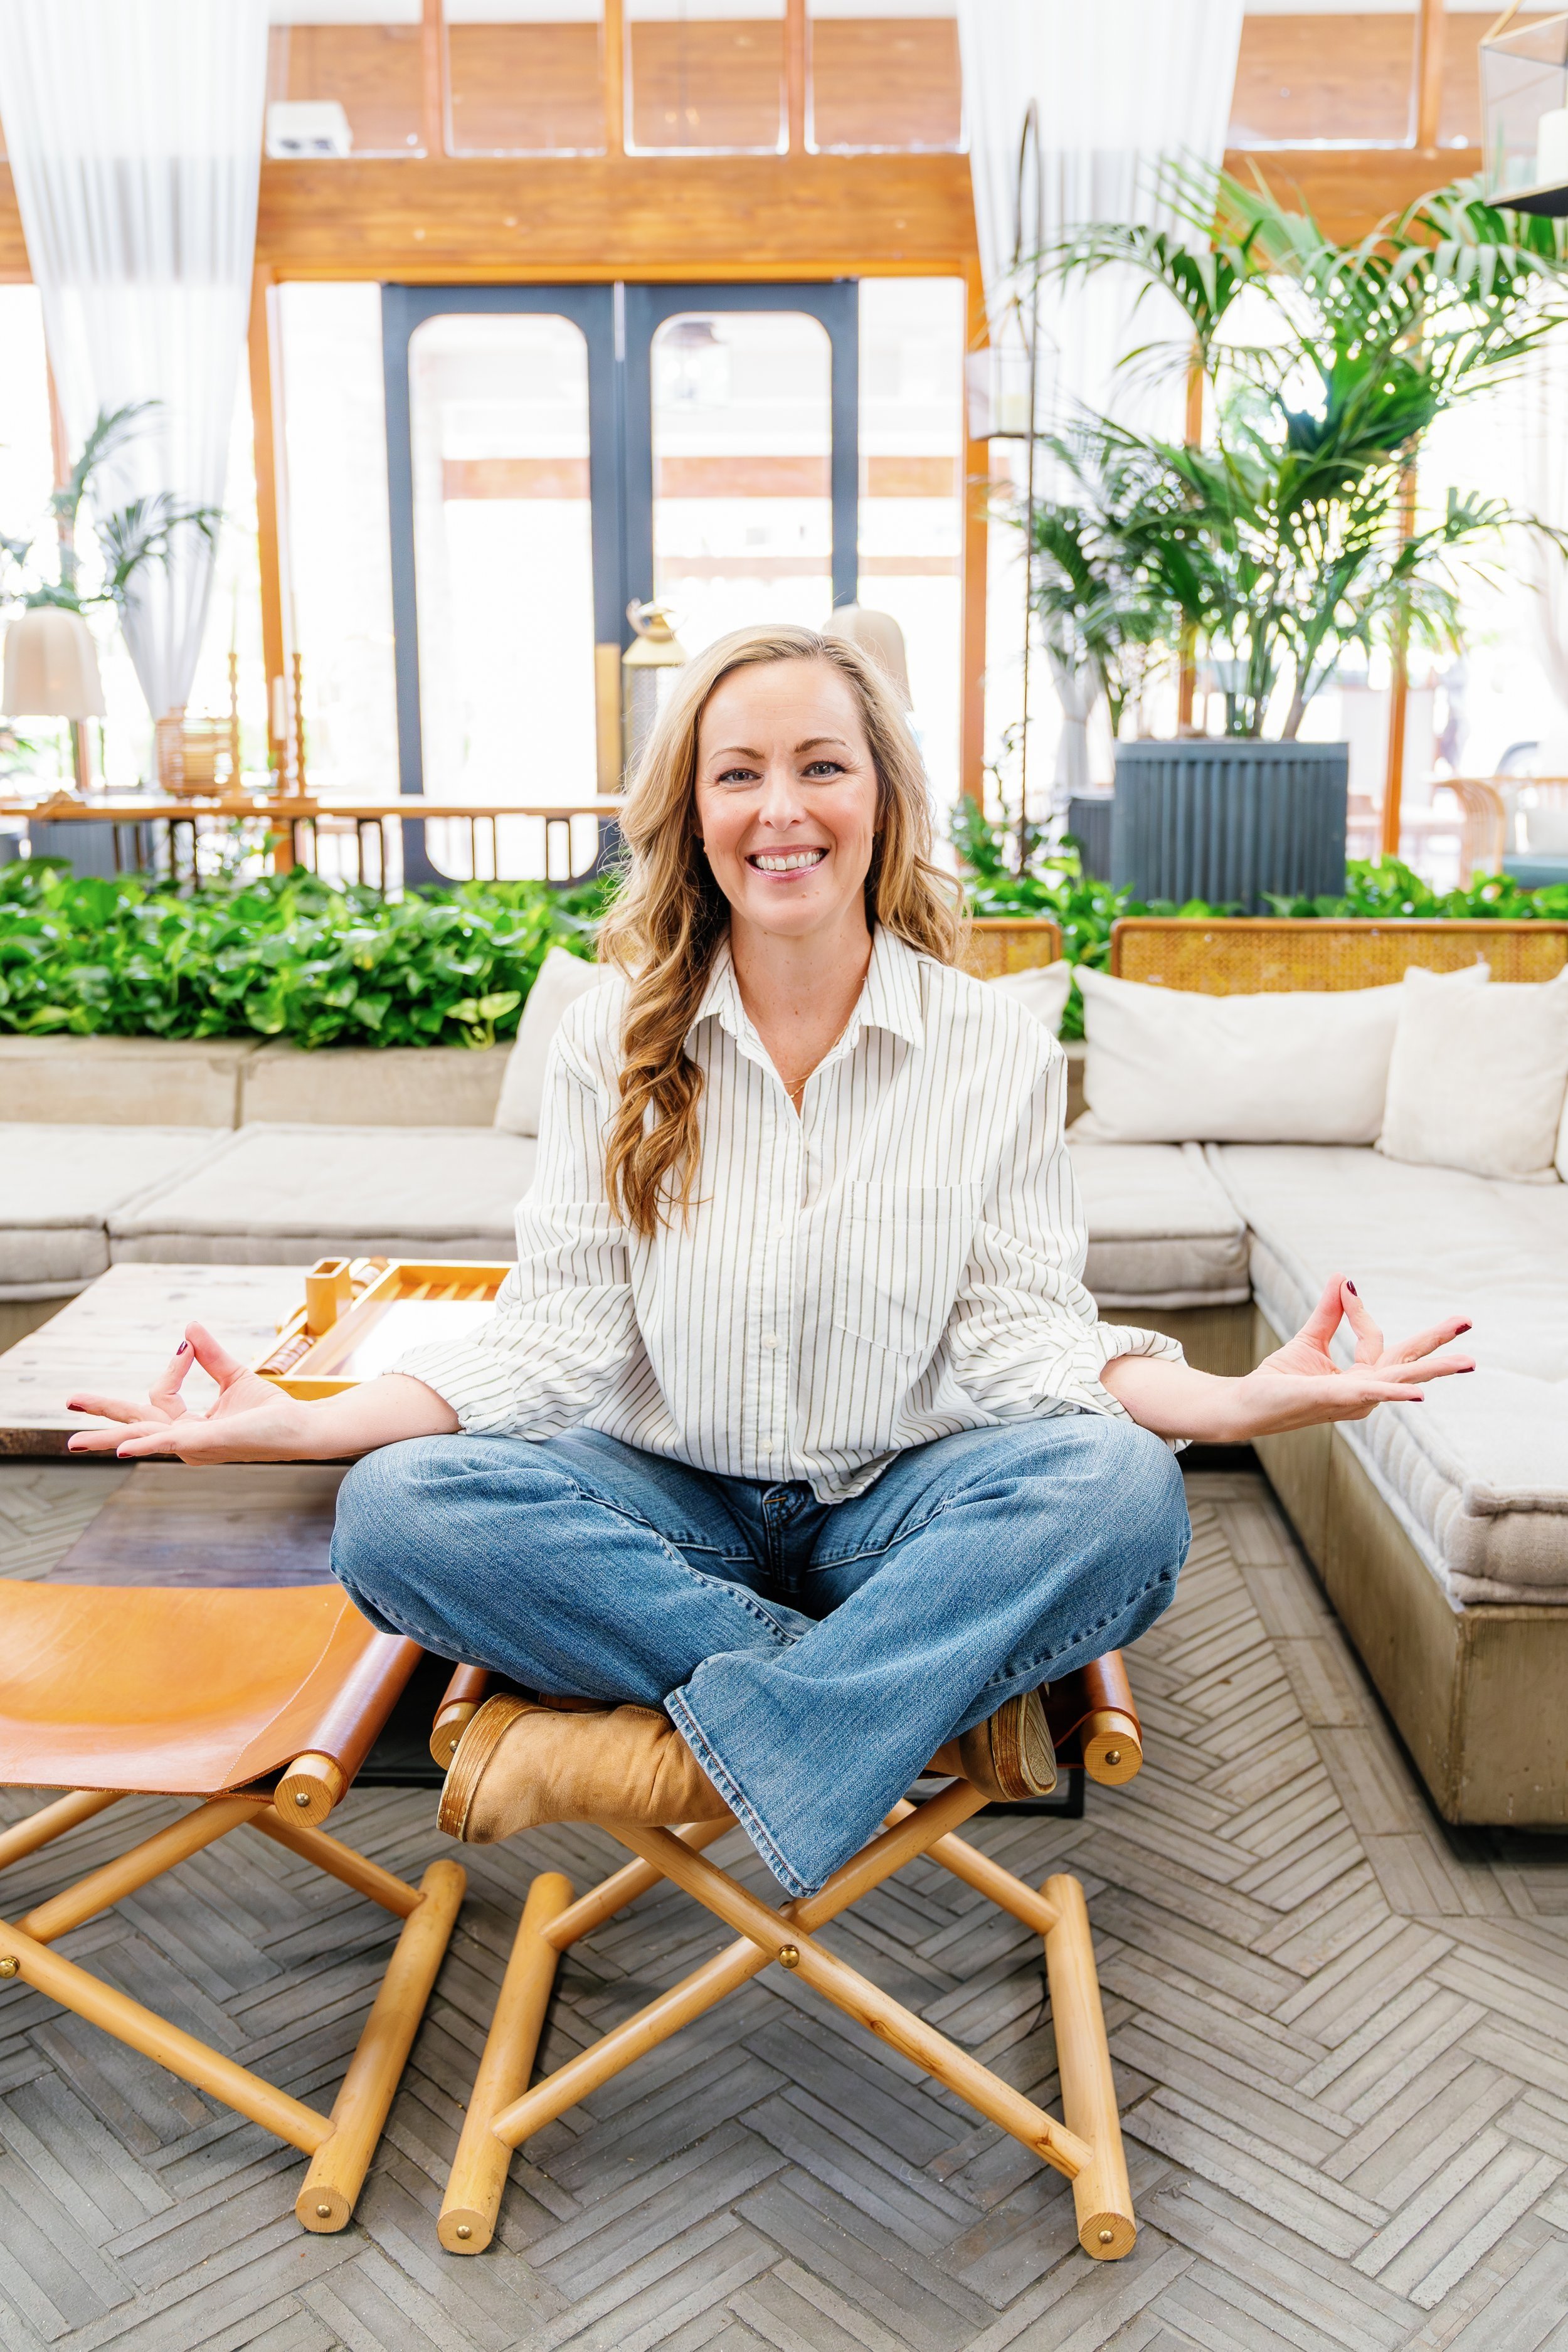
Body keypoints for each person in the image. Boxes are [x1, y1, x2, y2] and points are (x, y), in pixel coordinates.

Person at [66, 625, 1475, 1899]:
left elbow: (1023, 1340)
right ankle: (849, 1710)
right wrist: (302, 1423)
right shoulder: (613, 1035)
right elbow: (549, 1342)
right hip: (668, 1507)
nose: (781, 808)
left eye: (821, 766)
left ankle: (773, 1719)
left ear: (883, 799)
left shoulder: (989, 1044)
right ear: (692, 813)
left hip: (898, 1512)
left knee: (1119, 1491)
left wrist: (1225, 1402)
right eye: (737, 774)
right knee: (394, 1512)